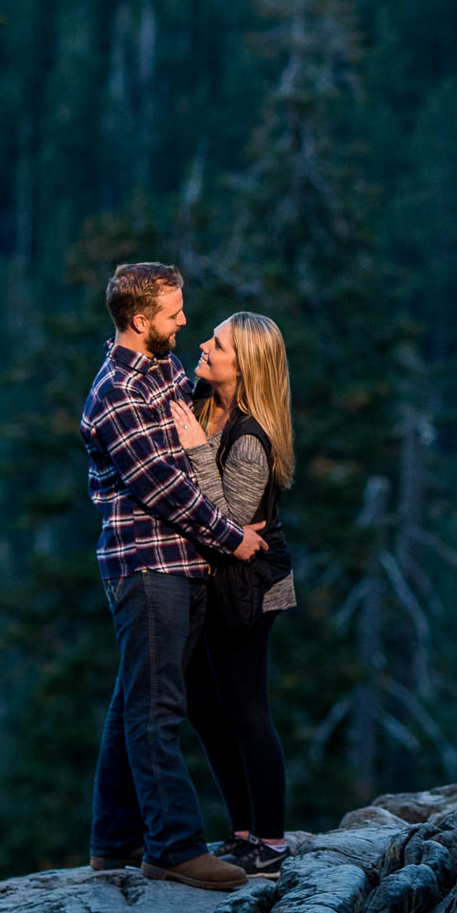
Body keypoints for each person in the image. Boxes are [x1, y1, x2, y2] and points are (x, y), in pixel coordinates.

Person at [80, 262, 266, 893]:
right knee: (157, 710)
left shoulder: (160, 369)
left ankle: (113, 842)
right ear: (141, 322)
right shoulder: (116, 396)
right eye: (174, 313)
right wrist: (234, 539)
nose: (185, 321)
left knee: (131, 701)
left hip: (178, 565)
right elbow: (165, 490)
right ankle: (173, 846)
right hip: (148, 564)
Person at [171, 311, 300, 880]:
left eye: (217, 343)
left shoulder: (252, 438)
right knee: (203, 706)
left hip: (251, 591)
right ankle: (242, 832)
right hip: (209, 584)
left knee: (246, 708)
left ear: (243, 365)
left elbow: (228, 522)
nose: (203, 344)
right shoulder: (201, 401)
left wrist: (198, 450)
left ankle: (269, 843)